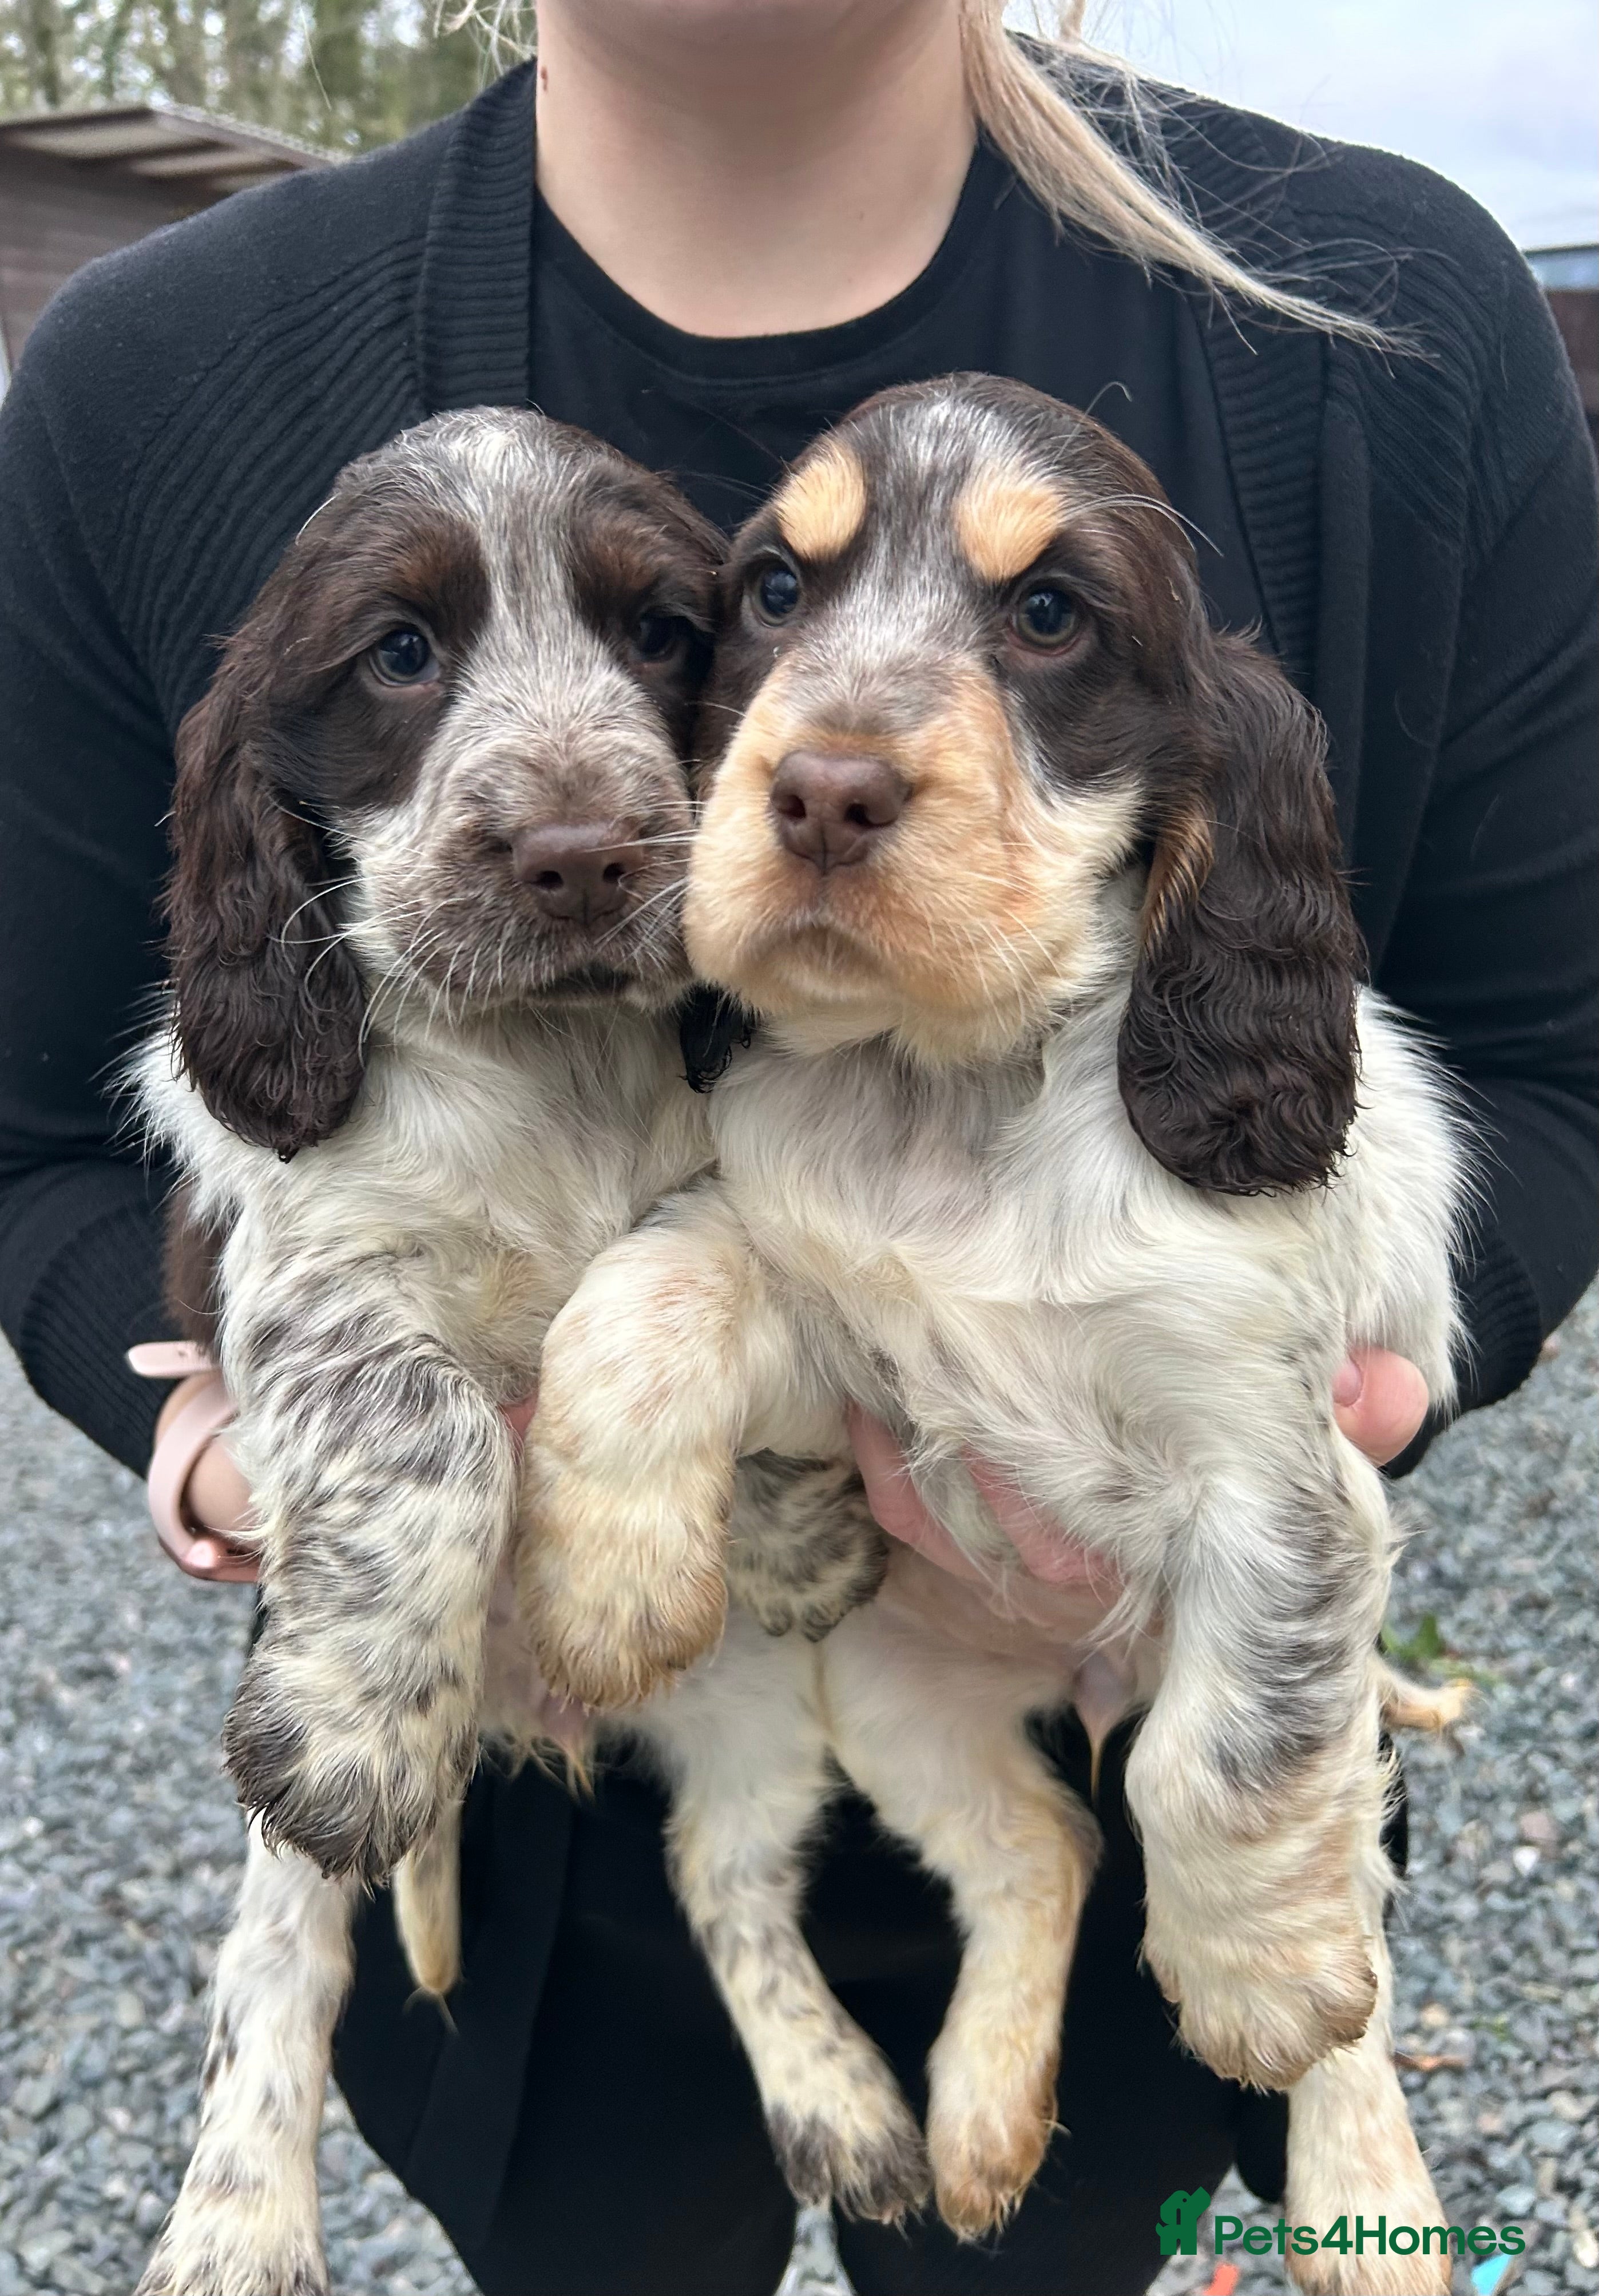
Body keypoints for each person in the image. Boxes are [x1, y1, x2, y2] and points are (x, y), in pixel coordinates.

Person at [0, 3, 1593, 2289]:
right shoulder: (160, 374)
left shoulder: (1384, 327)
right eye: (766, 600)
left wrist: (1337, 1392)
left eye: (656, 629)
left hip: (1153, 1743)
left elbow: (1548, 1080)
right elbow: (40, 1141)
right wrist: (261, 1456)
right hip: (554, 1855)